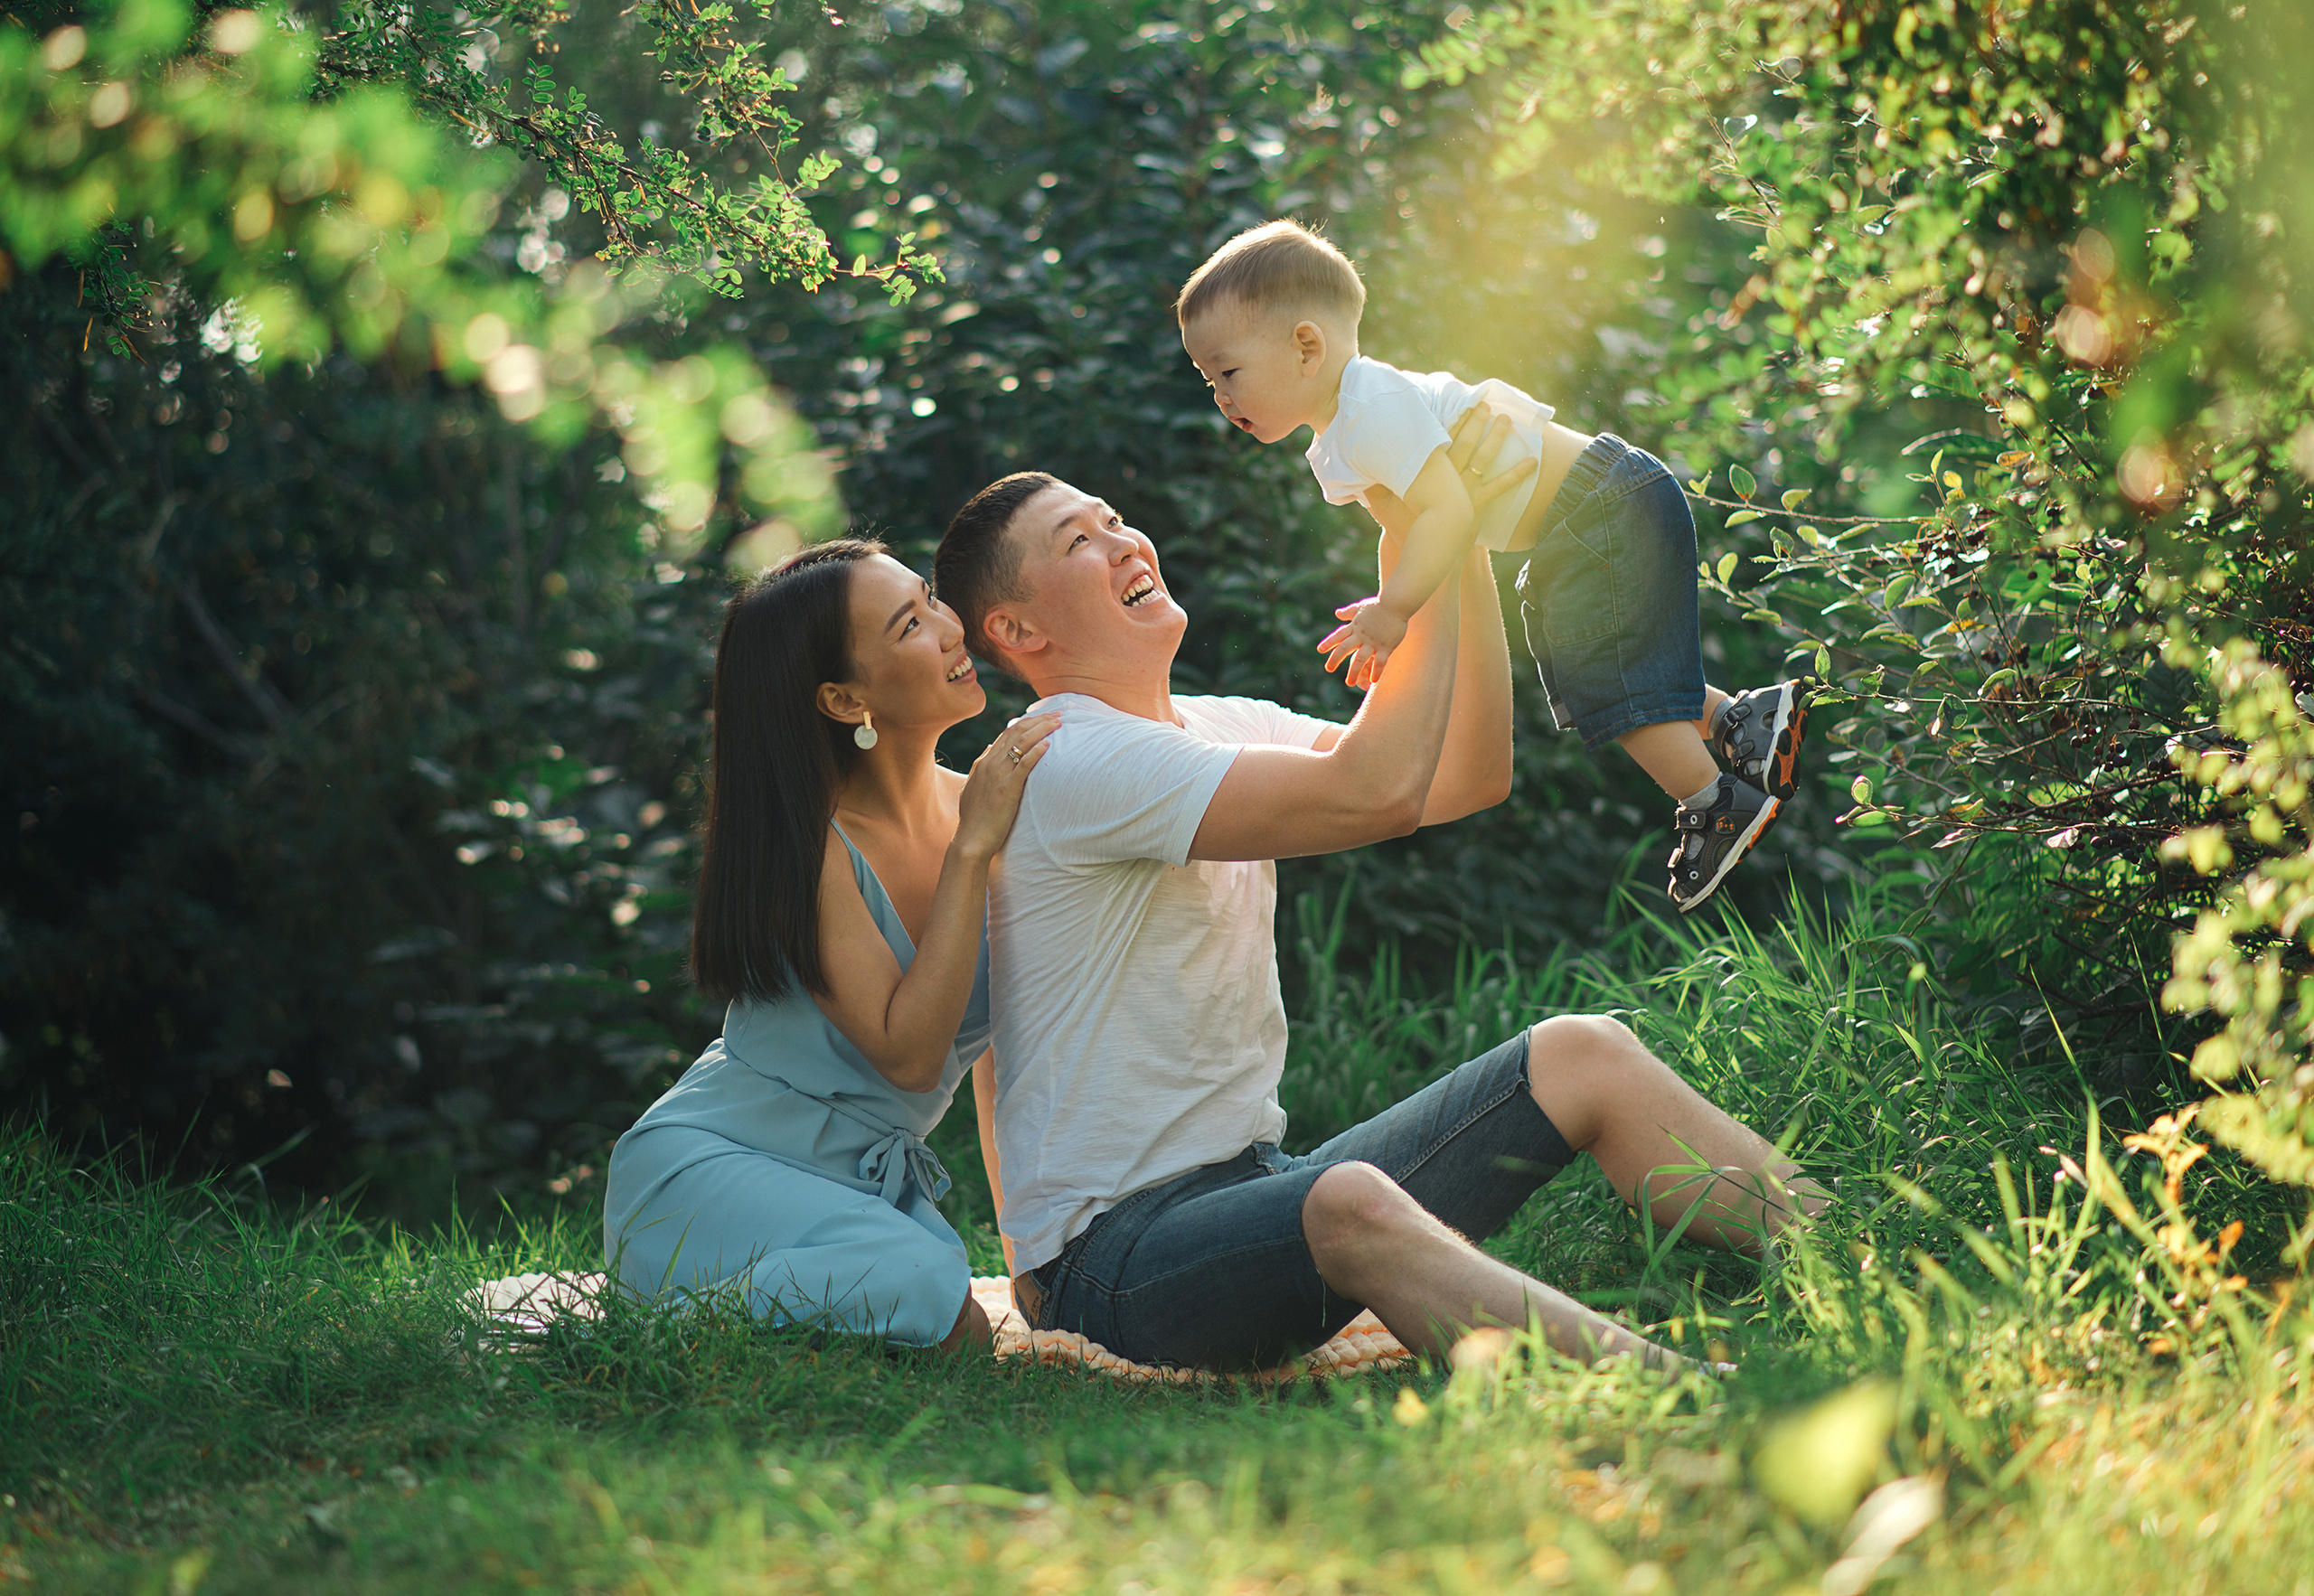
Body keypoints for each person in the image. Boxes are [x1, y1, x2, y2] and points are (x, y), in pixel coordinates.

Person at [929, 417, 1829, 1374]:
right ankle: (1679, 1387)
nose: (1122, 542)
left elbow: (1463, 774)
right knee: (1347, 1201)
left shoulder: (1205, 724)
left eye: (1113, 520)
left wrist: (1453, 545)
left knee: (1581, 1052)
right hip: (1110, 1265)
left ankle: (1854, 1254)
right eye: (1080, 541)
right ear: (1017, 630)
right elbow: (1379, 788)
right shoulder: (1075, 756)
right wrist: (1417, 533)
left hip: (1247, 1187)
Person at [1176, 217, 1811, 911]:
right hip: (1590, 511)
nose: (1220, 397)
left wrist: (1393, 610)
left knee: (1604, 675)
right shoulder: (1338, 440)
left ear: (1306, 347)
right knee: (1582, 657)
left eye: (1227, 372)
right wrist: (1399, 604)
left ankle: (1713, 800)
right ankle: (1738, 723)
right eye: (1208, 381)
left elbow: (1447, 516)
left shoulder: (1372, 408)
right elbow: (1416, 529)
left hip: (1602, 499)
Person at [601, 540, 1057, 1351]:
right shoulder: (816, 846)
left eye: (929, 598)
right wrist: (969, 852)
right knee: (940, 1304)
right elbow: (911, 1058)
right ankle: (664, 1327)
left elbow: (999, 1063)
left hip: (850, 1191)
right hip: (706, 1171)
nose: (951, 628)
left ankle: (711, 1322)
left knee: (943, 1302)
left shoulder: (987, 810)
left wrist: (1028, 1243)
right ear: (846, 701)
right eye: (910, 624)